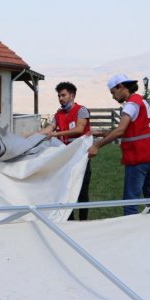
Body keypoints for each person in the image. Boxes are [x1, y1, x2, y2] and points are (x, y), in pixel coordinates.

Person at [88, 74, 150, 215]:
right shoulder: (141, 100)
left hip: (138, 157)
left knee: (130, 202)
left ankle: (129, 231)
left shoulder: (130, 105)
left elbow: (121, 130)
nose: (113, 97)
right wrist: (101, 132)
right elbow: (129, 130)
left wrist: (96, 145)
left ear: (121, 87)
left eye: (113, 92)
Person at [37, 82, 91, 220]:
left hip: (81, 157)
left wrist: (55, 134)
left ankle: (83, 221)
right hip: (65, 159)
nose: (60, 98)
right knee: (66, 190)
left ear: (72, 95)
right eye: (59, 96)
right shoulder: (58, 114)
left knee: (81, 192)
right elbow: (47, 130)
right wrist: (29, 136)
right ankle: (69, 220)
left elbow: (79, 129)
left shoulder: (81, 110)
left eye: (63, 95)